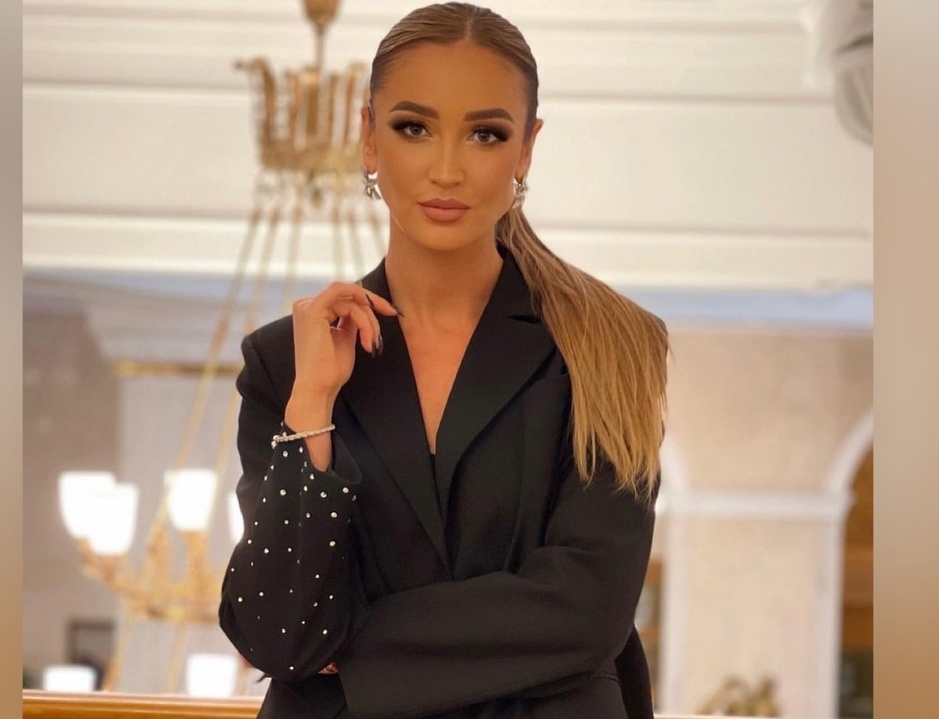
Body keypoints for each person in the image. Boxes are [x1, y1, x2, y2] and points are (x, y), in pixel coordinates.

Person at [218, 4, 670, 717]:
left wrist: (349, 650)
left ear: (526, 149)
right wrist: (312, 409)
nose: (448, 169)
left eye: (486, 134)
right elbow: (279, 634)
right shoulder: (287, 362)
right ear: (368, 138)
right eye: (413, 128)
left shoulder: (610, 346)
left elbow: (586, 609)